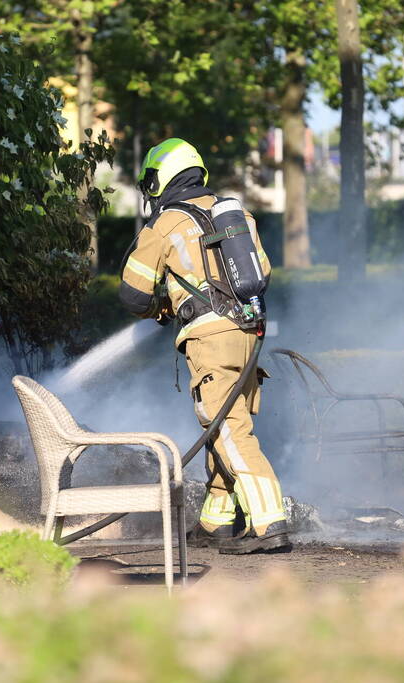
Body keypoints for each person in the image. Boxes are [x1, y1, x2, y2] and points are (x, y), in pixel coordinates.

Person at [119, 138, 291, 554]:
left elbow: (134, 295)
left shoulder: (166, 224)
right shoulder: (237, 215)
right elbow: (261, 272)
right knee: (224, 424)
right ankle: (217, 521)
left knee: (227, 427)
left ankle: (270, 521)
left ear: (161, 178)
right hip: (249, 333)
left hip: (210, 339)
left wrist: (161, 306)